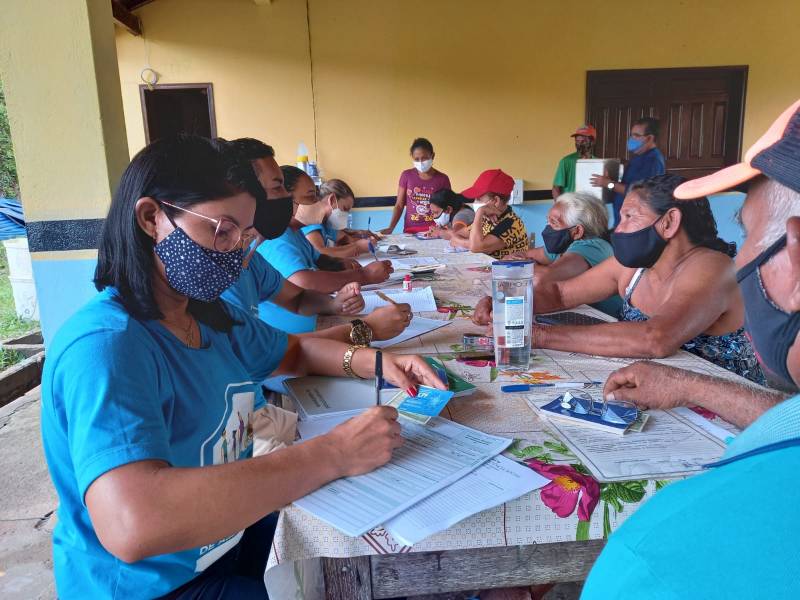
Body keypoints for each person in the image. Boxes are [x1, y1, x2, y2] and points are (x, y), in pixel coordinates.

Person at [40, 135, 444, 599]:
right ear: (153, 218)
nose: (237, 251)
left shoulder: (209, 315)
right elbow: (134, 522)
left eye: (246, 235)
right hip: (150, 588)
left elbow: (294, 353)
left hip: (220, 544)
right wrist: (334, 452)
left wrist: (377, 360)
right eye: (222, 229)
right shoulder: (108, 347)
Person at [581, 99, 800, 600]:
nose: (736, 258)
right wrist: (683, 383)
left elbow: (655, 338)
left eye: (744, 234)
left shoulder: (661, 558)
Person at [473, 174, 763, 384]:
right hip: (652, 386)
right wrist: (510, 302)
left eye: (629, 217)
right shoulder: (634, 267)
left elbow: (656, 338)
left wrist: (540, 335)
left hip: (717, 406)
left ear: (669, 222)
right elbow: (561, 294)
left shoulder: (712, 267)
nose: (618, 229)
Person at [220, 139, 412, 344]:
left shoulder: (251, 261)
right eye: (278, 188)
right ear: (241, 194)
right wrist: (366, 328)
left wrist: (333, 304)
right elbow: (263, 354)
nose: (289, 199)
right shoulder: (222, 275)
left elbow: (298, 298)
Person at [257, 166, 393, 333]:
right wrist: (364, 275)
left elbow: (319, 259)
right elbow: (303, 281)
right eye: (310, 197)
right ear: (286, 200)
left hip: (318, 320)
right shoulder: (276, 238)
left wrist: (342, 266)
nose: (317, 202)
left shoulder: (294, 232)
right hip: (294, 337)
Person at [507, 192, 622, 317]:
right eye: (548, 221)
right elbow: (514, 257)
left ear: (577, 231)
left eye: (554, 223)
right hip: (579, 314)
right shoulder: (563, 245)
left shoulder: (593, 247)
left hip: (606, 320)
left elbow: (542, 279)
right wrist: (530, 264)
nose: (547, 228)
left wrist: (531, 265)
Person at [591, 117, 665, 227]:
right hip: (622, 219)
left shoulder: (652, 160)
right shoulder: (638, 157)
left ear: (649, 138)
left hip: (634, 223)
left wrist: (608, 183)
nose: (631, 139)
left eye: (636, 135)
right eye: (631, 134)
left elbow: (637, 191)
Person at [450, 169, 528, 258]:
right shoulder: (486, 219)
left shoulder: (511, 223)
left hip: (507, 271)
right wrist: (467, 243)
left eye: (479, 199)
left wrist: (480, 212)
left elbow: (476, 247)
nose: (475, 202)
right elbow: (456, 235)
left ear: (496, 201)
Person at [382, 137, 451, 234]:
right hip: (410, 232)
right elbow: (399, 205)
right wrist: (391, 228)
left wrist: (446, 230)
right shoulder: (406, 176)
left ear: (433, 156)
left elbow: (448, 208)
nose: (421, 162)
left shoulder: (443, 179)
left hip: (435, 232)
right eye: (416, 159)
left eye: (424, 158)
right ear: (412, 157)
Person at [296, 178, 373, 258]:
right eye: (345, 208)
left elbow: (346, 238)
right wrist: (357, 247)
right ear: (332, 200)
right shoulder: (311, 222)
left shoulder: (328, 224)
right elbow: (319, 252)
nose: (346, 214)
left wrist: (365, 238)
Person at [552, 124, 596, 199]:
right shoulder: (566, 161)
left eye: (583, 140)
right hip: (571, 206)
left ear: (592, 141)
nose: (580, 144)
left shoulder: (598, 163)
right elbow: (556, 188)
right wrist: (560, 206)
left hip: (590, 205)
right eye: (577, 141)